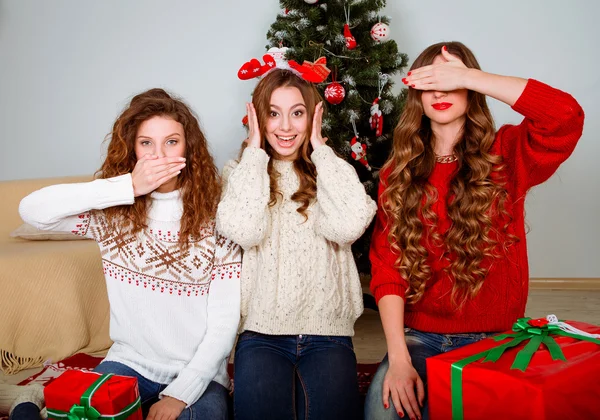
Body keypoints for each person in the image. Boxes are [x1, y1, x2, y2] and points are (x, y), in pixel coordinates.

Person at [364, 41, 584, 420]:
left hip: (495, 339)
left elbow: (565, 117)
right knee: (382, 411)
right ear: (417, 93)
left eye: (451, 81)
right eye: (432, 80)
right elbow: (388, 268)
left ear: (472, 90)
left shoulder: (507, 153)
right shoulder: (397, 173)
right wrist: (399, 358)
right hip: (420, 337)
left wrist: (472, 77)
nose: (441, 91)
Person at [18, 88, 241, 420]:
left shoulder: (219, 218)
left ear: (188, 149)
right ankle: (31, 402)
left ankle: (31, 408)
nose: (159, 155)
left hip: (198, 374)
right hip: (128, 363)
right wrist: (127, 188)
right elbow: (32, 211)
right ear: (132, 149)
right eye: (146, 143)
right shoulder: (115, 215)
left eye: (172, 142)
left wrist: (178, 397)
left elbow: (224, 325)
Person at [216, 68, 377, 420]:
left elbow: (349, 226)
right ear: (257, 118)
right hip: (262, 334)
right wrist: (255, 154)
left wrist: (321, 149)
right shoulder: (240, 171)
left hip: (328, 333)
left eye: (297, 113)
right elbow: (245, 231)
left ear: (314, 117)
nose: (286, 127)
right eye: (273, 114)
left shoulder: (332, 171)